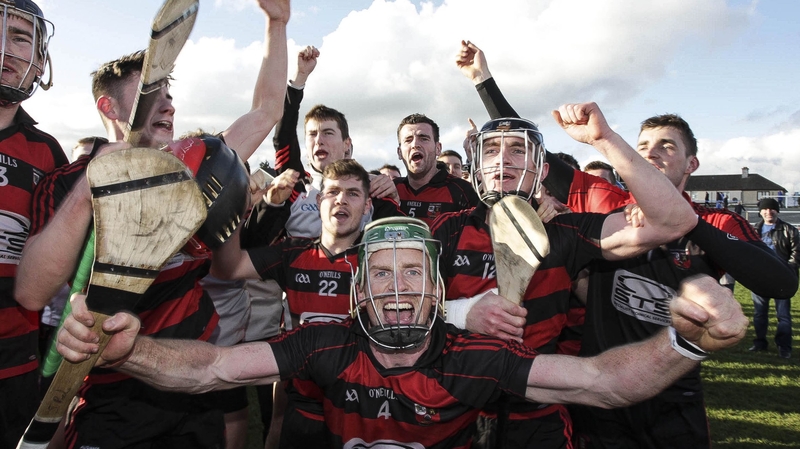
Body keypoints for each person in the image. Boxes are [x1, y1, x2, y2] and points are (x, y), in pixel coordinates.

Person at [56, 215, 748, 448]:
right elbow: (211, 368)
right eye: (378, 274)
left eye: (411, 273)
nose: (394, 288)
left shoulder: (476, 359)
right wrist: (132, 348)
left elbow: (601, 383)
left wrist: (687, 340)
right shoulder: (324, 342)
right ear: (357, 288)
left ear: (438, 287)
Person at [456, 40, 798, 448]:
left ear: (693, 164)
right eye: (643, 147)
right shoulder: (607, 203)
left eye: (667, 146)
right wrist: (483, 80)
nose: (652, 153)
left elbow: (780, 284)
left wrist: (692, 229)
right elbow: (530, 153)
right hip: (598, 386)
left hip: (672, 388)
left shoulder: (716, 221)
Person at [14, 1, 290, 447]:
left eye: (170, 93)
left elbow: (266, 111)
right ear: (108, 105)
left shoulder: (192, 161)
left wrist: (276, 24)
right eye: (153, 93)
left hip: (192, 376)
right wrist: (92, 189)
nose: (169, 105)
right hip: (112, 392)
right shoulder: (67, 183)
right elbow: (31, 292)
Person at [432, 104, 699, 448]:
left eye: (517, 149)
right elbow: (388, 310)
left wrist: (605, 141)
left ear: (541, 170)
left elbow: (674, 221)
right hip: (454, 411)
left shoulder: (566, 231)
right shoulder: (444, 230)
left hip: (537, 417)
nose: (503, 159)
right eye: (492, 149)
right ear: (476, 169)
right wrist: (462, 312)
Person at [214, 159, 372, 448]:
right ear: (320, 199)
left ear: (367, 205)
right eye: (333, 191)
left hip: (361, 413)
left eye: (353, 193)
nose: (341, 199)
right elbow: (229, 267)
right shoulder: (292, 253)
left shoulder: (378, 262)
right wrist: (236, 205)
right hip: (303, 412)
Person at [0, 2, 66, 448]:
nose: (4, 48)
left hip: (15, 362)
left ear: (39, 62)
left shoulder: (47, 153)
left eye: (21, 37)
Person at [254, 45, 400, 240]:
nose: (319, 140)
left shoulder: (369, 187)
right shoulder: (293, 184)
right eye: (312, 134)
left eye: (328, 133)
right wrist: (299, 80)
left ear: (346, 144)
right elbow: (284, 135)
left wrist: (395, 198)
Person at [394, 113, 479, 225]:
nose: (415, 144)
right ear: (399, 152)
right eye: (408, 140)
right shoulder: (390, 189)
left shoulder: (463, 191)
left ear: (438, 149)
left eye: (423, 138)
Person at [749, 198, 799, 359]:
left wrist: (786, 271)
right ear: (760, 212)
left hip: (781, 278)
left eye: (772, 209)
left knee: (783, 315)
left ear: (777, 211)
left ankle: (784, 347)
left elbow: (796, 254)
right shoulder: (754, 230)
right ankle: (760, 343)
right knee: (759, 314)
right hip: (759, 277)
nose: (768, 212)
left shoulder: (789, 230)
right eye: (765, 209)